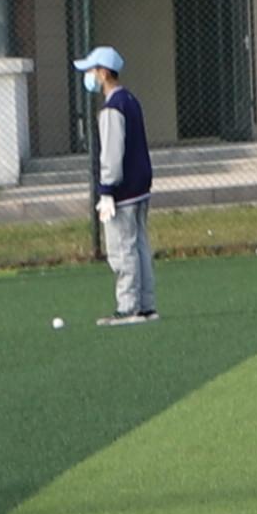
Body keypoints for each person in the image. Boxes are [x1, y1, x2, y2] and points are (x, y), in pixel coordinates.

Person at [75, 43, 160, 322]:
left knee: (122, 248)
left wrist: (107, 190)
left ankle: (128, 307)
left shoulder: (112, 109)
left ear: (102, 73)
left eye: (92, 70)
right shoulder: (132, 101)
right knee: (139, 246)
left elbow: (111, 152)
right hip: (140, 187)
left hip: (122, 191)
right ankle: (146, 305)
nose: (90, 76)